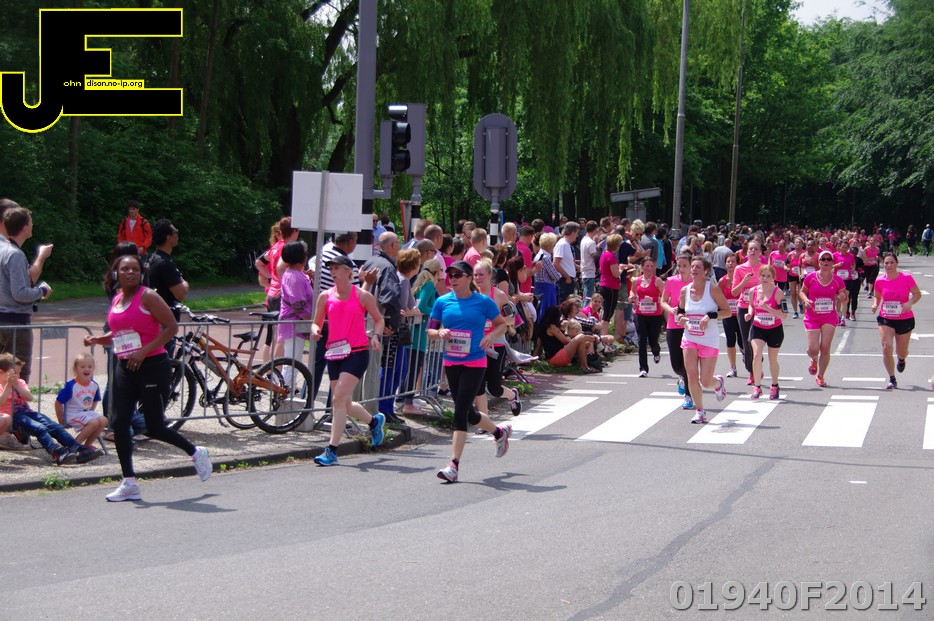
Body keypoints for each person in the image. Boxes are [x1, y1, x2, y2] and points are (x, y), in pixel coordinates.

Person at [84, 254, 211, 501]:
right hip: (125, 366)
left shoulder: (148, 296)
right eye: (125, 269)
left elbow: (171, 328)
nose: (130, 272)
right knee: (119, 422)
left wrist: (143, 352)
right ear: (116, 274)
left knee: (154, 427)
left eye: (135, 269)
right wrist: (98, 339)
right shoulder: (118, 298)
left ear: (141, 273)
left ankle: (196, 452)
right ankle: (129, 483)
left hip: (152, 365)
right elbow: (119, 333)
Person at [428, 260, 512, 483]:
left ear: (468, 278)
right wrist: (440, 333)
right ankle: (499, 432)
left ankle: (453, 465)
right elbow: (430, 330)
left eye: (457, 275)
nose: (453, 279)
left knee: (460, 412)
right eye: (450, 275)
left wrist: (490, 336)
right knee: (468, 413)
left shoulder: (483, 302)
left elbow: (502, 324)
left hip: (475, 362)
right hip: (451, 362)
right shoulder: (442, 302)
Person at [310, 255, 386, 466]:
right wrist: (315, 331)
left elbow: (379, 319)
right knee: (343, 402)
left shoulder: (362, 295)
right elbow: (315, 323)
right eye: (331, 269)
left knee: (337, 399)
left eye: (337, 268)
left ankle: (332, 450)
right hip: (334, 353)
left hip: (357, 352)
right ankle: (374, 421)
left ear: (348, 272)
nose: (333, 272)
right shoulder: (325, 296)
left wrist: (376, 337)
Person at [1, 353, 103, 465]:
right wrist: (8, 386)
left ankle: (78, 449)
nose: (17, 376)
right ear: (1, 372)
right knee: (39, 428)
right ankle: (57, 452)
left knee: (54, 426)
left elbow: (29, 398)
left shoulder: (20, 383)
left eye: (19, 373)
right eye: (14, 373)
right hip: (14, 417)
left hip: (27, 412)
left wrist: (16, 385)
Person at [0, 204, 53, 383]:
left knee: (2, 374)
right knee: (19, 374)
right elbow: (19, 293)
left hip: (3, 320)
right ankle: (16, 401)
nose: (32, 225)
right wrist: (42, 291)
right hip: (15, 322)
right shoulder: (15, 254)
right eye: (30, 222)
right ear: (24, 228)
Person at [675, 256, 729, 423]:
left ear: (706, 271)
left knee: (705, 381)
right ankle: (700, 411)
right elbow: (679, 312)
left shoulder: (712, 289)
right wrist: (681, 318)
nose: (694, 269)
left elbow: (727, 311)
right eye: (692, 267)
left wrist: (710, 316)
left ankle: (717, 384)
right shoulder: (685, 291)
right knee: (692, 376)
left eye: (698, 267)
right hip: (690, 337)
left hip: (709, 339)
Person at [473, 260, 522, 416]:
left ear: (490, 275)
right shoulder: (471, 295)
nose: (477, 278)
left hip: (497, 345)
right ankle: (484, 419)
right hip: (477, 345)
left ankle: (512, 395)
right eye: (475, 275)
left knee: (494, 388)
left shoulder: (499, 295)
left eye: (481, 274)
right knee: (478, 385)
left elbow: (512, 319)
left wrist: (494, 322)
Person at [872, 253, 923, 390]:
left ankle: (901, 359)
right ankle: (892, 378)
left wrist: (909, 303)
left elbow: (917, 294)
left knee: (902, 351)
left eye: (891, 262)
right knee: (886, 347)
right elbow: (877, 296)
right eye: (886, 263)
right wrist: (875, 305)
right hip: (886, 317)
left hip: (904, 318)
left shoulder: (906, 278)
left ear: (896, 264)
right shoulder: (880, 280)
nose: (888, 265)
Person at [799, 250, 847, 388]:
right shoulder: (811, 277)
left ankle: (820, 376)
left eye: (828, 259)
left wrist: (843, 297)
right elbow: (802, 292)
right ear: (819, 262)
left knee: (825, 348)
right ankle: (813, 358)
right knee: (813, 349)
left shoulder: (838, 280)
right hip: (812, 316)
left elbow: (844, 297)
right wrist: (806, 300)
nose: (826, 262)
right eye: (823, 259)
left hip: (829, 316)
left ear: (832, 263)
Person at [745, 264, 787, 400]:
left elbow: (784, 315)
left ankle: (774, 385)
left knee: (772, 359)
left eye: (768, 276)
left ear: (773, 278)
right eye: (763, 275)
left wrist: (768, 308)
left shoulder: (778, 293)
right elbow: (751, 305)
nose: (765, 278)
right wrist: (749, 314)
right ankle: (757, 387)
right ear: (759, 276)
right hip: (758, 328)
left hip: (775, 329)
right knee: (757, 355)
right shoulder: (753, 291)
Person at [278, 240, 314, 385]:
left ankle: (287, 391)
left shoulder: (297, 274)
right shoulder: (294, 277)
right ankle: (285, 393)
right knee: (291, 364)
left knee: (292, 364)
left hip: (296, 324)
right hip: (294, 325)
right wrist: (312, 321)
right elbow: (298, 305)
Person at [55, 352, 107, 448]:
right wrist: (61, 420)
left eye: (90, 367)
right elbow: (58, 402)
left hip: (85, 412)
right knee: (93, 423)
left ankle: (88, 445)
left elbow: (95, 400)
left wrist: (91, 412)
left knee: (103, 420)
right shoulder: (71, 385)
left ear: (93, 368)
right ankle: (74, 446)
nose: (86, 369)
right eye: (82, 367)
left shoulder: (94, 385)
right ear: (76, 369)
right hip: (72, 414)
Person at [661, 253, 693, 407]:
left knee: (688, 364)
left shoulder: (696, 282)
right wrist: (671, 310)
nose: (681, 268)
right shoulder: (671, 281)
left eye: (685, 265)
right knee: (676, 365)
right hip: (673, 325)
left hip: (691, 327)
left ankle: (688, 395)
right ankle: (682, 377)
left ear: (691, 266)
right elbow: (663, 301)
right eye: (679, 265)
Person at [731, 239, 765, 385]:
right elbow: (734, 292)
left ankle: (755, 367)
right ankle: (752, 370)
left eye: (756, 249)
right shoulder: (739, 269)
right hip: (743, 307)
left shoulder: (764, 268)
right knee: (746, 340)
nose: (753, 251)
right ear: (746, 252)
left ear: (760, 252)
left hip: (759, 309)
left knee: (755, 339)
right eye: (750, 249)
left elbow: (771, 287)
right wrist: (744, 281)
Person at [145, 219, 189, 324]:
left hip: (155, 318)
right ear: (169, 237)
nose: (177, 234)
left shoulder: (153, 258)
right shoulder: (165, 264)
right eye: (175, 232)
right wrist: (184, 283)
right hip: (165, 322)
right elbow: (181, 294)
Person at [537, 305, 599, 373]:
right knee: (581, 337)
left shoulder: (543, 329)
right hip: (557, 357)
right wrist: (568, 335)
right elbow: (565, 341)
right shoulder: (552, 327)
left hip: (552, 358)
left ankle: (584, 366)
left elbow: (538, 346)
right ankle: (594, 339)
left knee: (583, 342)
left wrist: (533, 360)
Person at [631, 256, 665, 378]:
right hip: (640, 313)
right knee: (641, 340)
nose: (649, 268)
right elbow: (632, 291)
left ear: (654, 267)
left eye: (651, 266)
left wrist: (654, 299)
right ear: (642, 267)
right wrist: (632, 297)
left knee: (653, 341)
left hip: (655, 315)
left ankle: (656, 351)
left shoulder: (658, 281)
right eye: (647, 266)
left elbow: (665, 297)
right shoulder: (636, 280)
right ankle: (643, 369)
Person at [718, 253, 742, 378]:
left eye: (733, 261)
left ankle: (747, 356)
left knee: (743, 342)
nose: (730, 264)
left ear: (737, 264)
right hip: (728, 315)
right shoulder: (722, 281)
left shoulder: (742, 279)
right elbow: (717, 297)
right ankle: (733, 367)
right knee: (730, 341)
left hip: (741, 314)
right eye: (728, 261)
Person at [533, 233, 561, 316]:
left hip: (539, 288)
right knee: (547, 313)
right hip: (547, 289)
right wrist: (560, 274)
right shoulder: (545, 258)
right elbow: (555, 276)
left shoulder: (538, 255)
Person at [553, 221, 579, 301]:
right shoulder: (562, 244)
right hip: (564, 281)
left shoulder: (566, 244)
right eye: (576, 233)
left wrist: (576, 266)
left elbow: (565, 261)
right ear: (573, 232)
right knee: (564, 303)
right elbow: (556, 263)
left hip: (568, 279)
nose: (577, 235)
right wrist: (567, 277)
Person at [579, 221, 600, 302]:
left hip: (585, 270)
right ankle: (585, 309)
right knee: (588, 297)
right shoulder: (591, 242)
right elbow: (594, 256)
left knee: (586, 296)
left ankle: (584, 309)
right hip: (589, 271)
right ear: (595, 229)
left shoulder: (584, 239)